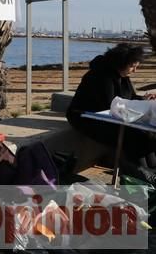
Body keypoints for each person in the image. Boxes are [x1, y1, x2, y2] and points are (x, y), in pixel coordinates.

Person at [67, 43, 156, 174]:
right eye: (132, 66)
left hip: (109, 116)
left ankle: (151, 170)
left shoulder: (122, 76)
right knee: (134, 136)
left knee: (148, 134)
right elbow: (109, 104)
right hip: (86, 118)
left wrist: (144, 99)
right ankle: (142, 174)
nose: (134, 71)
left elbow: (129, 97)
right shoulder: (101, 75)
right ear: (120, 63)